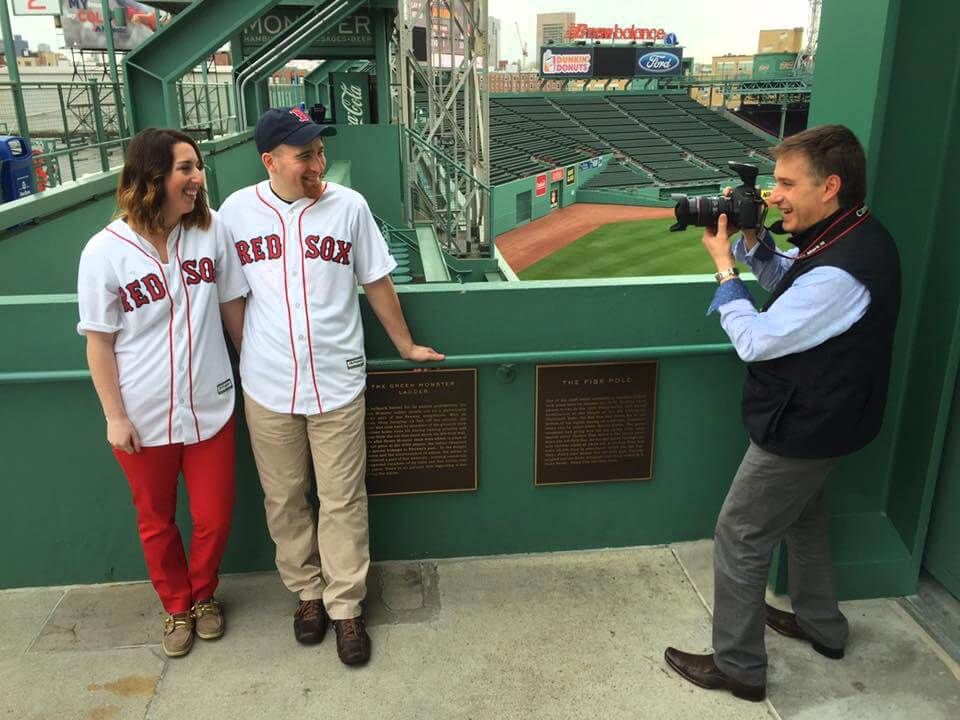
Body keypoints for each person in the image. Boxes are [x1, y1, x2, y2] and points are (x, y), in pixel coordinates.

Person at [664, 124, 902, 701]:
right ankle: (823, 627)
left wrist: (725, 268)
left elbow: (758, 340)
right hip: (835, 417)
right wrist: (752, 241)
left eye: (788, 183)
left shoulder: (843, 268)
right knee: (804, 519)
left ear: (832, 187)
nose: (774, 196)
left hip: (805, 424)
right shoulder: (849, 233)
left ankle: (739, 666)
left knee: (740, 534)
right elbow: (791, 283)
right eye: (774, 182)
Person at [217, 107, 443, 667]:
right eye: (304, 155)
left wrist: (406, 345)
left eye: (319, 151)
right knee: (285, 498)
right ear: (270, 161)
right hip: (268, 387)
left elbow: (377, 280)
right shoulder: (236, 213)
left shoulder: (350, 206)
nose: (317, 163)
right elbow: (232, 298)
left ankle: (345, 608)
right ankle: (307, 595)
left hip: (338, 381)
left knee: (343, 499)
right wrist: (254, 357)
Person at [77, 128, 247, 658]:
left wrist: (257, 371)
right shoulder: (104, 251)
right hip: (142, 416)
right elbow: (98, 344)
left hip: (210, 406)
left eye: (197, 167)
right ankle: (176, 606)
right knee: (155, 520)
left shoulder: (210, 232)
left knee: (214, 516)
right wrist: (114, 415)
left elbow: (233, 309)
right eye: (185, 169)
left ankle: (202, 595)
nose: (198, 179)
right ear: (153, 177)